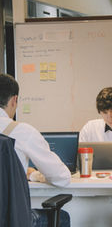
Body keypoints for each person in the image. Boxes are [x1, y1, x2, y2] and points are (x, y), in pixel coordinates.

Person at [0, 73, 71, 226]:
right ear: (14, 100)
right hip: (10, 219)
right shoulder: (23, 132)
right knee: (63, 217)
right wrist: (35, 175)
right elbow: (62, 178)